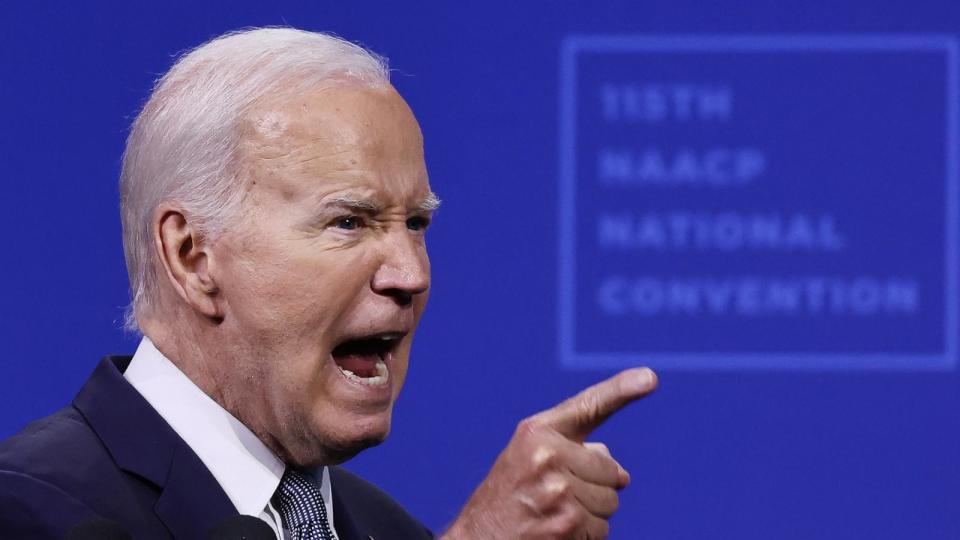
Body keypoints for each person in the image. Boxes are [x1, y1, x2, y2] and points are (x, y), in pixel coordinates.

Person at [0, 27, 657, 539]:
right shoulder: (32, 509)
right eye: (350, 221)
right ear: (193, 255)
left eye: (418, 223)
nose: (411, 274)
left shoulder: (385, 529)